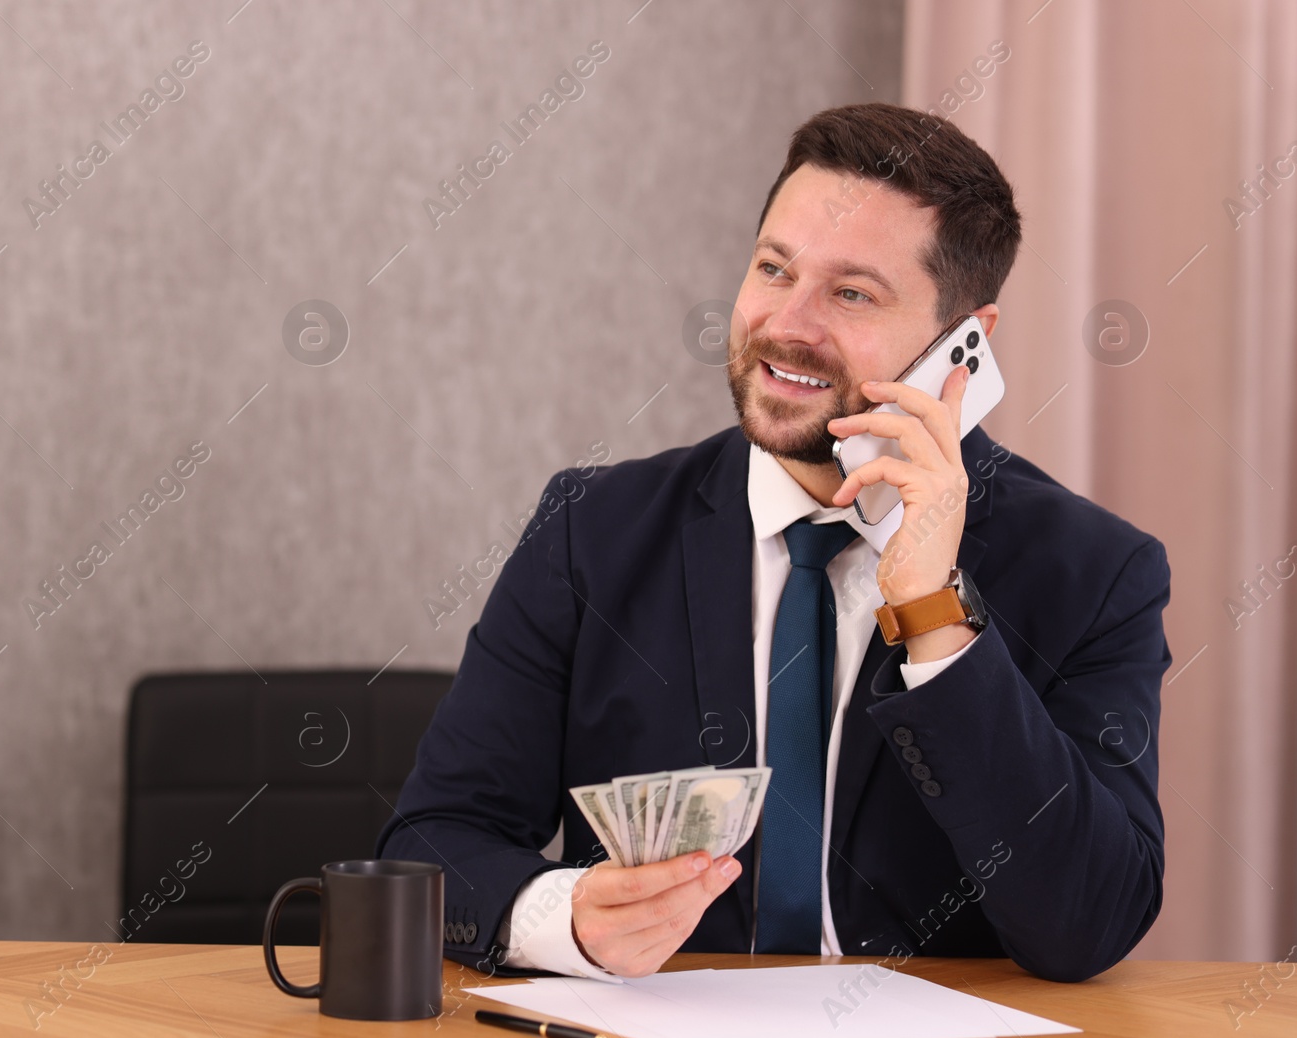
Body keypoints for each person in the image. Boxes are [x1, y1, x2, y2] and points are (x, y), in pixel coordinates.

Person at [377, 102, 1169, 984]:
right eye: (773, 269)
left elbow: (1091, 923)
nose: (787, 323)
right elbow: (432, 843)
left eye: (852, 292)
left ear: (964, 345)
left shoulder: (1095, 572)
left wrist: (933, 616)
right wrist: (563, 918)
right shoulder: (592, 532)